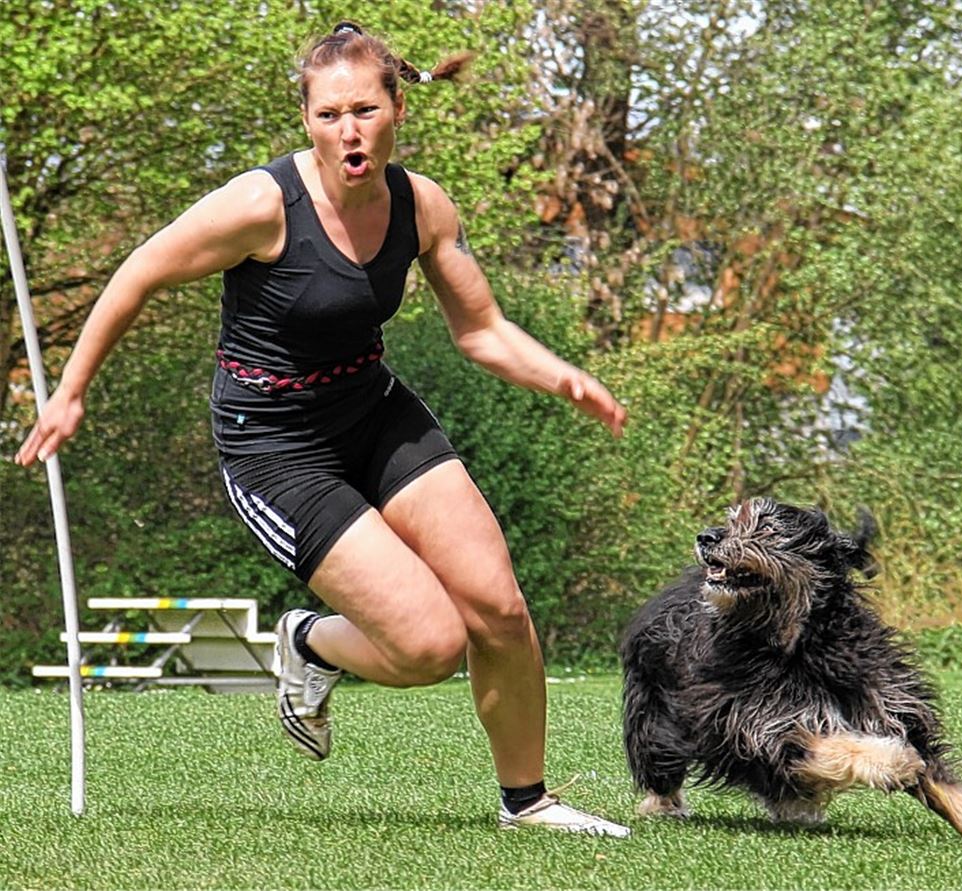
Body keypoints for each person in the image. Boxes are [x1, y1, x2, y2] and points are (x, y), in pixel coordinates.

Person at [15, 21, 630, 837]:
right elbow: (140, 271)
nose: (349, 130)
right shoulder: (260, 205)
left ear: (397, 107)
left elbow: (480, 328)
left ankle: (530, 802)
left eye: (366, 110)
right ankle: (308, 641)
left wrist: (560, 374)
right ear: (306, 119)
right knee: (428, 645)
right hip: (273, 446)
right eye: (329, 113)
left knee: (499, 608)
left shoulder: (421, 205)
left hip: (372, 411)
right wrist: (71, 391)